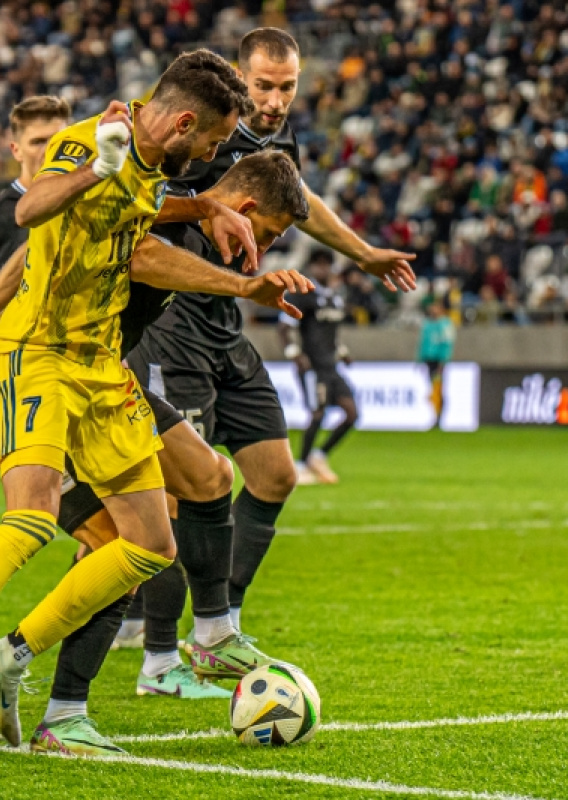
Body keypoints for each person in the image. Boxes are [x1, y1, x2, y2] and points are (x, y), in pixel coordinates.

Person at [0, 49, 257, 781]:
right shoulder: (94, 140)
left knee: (150, 545)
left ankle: (6, 657)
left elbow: (67, 237)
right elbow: (31, 210)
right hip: (39, 356)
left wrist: (206, 203)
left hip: (100, 367)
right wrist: (94, 172)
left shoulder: (150, 169)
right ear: (182, 122)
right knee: (29, 519)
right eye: (210, 144)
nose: (212, 155)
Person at [0, 150, 313, 756]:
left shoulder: (181, 209)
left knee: (209, 476)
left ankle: (211, 633)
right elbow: (138, 254)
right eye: (271, 235)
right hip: (57, 389)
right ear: (248, 209)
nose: (268, 249)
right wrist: (243, 285)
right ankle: (59, 710)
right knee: (125, 546)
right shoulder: (170, 216)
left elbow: (40, 250)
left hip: (104, 384)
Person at [127, 27, 416, 665]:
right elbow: (135, 204)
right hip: (172, 325)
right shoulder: (198, 129)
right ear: (239, 77)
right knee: (181, 488)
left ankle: (220, 624)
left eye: (287, 87)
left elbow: (300, 200)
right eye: (263, 85)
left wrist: (364, 253)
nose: (276, 99)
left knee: (276, 473)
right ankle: (158, 654)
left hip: (228, 320)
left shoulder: (274, 137)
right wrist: (204, 208)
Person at [0, 96, 71, 316]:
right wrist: (45, 319)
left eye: (59, 139)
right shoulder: (2, 217)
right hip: (35, 348)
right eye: (38, 142)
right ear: (16, 150)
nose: (50, 150)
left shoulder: (87, 196)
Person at [279, 250, 358, 485]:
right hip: (312, 366)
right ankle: (301, 465)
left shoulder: (335, 297)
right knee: (318, 413)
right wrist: (294, 353)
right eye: (318, 264)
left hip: (331, 365)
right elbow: (284, 327)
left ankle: (318, 455)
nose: (322, 269)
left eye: (327, 264)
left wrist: (342, 352)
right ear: (312, 267)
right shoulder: (303, 294)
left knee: (352, 413)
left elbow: (330, 334)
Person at [418, 301, 456, 426]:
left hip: (439, 361)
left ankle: (439, 417)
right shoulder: (428, 324)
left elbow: (447, 344)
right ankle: (435, 415)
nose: (433, 310)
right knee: (433, 389)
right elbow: (423, 343)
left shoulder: (445, 324)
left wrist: (443, 361)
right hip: (429, 360)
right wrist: (420, 358)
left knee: (438, 389)